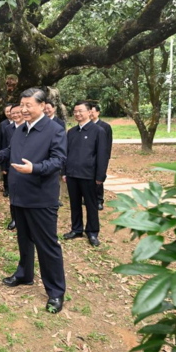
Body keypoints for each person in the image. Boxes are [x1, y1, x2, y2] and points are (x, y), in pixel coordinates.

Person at [0, 88, 67, 313]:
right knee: (24, 240)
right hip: (19, 196)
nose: (24, 109)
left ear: (42, 106)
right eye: (22, 104)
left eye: (29, 105)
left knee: (47, 245)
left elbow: (58, 161)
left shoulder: (54, 130)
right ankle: (25, 274)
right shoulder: (21, 130)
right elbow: (11, 150)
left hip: (41, 198)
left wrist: (35, 168)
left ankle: (56, 292)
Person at [62, 101, 109, 247]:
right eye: (75, 111)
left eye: (80, 111)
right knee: (74, 204)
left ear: (89, 112)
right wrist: (64, 171)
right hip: (72, 174)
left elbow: (102, 155)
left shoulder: (98, 131)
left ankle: (92, 232)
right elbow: (66, 153)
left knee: (91, 205)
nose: (77, 114)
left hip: (89, 175)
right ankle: (76, 229)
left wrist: (100, 176)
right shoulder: (71, 132)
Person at [1, 104, 24, 231]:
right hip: (12, 166)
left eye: (17, 112)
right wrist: (4, 166)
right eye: (12, 113)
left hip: (28, 167)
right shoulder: (8, 128)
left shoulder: (29, 128)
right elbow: (5, 148)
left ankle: (25, 219)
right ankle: (14, 218)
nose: (15, 115)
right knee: (13, 195)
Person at [91, 104, 113, 211]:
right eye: (89, 111)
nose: (91, 114)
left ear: (98, 113)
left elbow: (108, 144)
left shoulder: (105, 126)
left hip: (100, 157)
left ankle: (99, 200)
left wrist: (106, 158)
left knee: (99, 179)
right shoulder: (86, 125)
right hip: (88, 158)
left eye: (93, 112)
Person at [0, 103, 13, 197]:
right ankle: (6, 188)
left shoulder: (21, 122)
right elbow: (0, 139)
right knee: (5, 171)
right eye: (6, 111)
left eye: (10, 111)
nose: (8, 113)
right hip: (5, 149)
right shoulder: (2, 124)